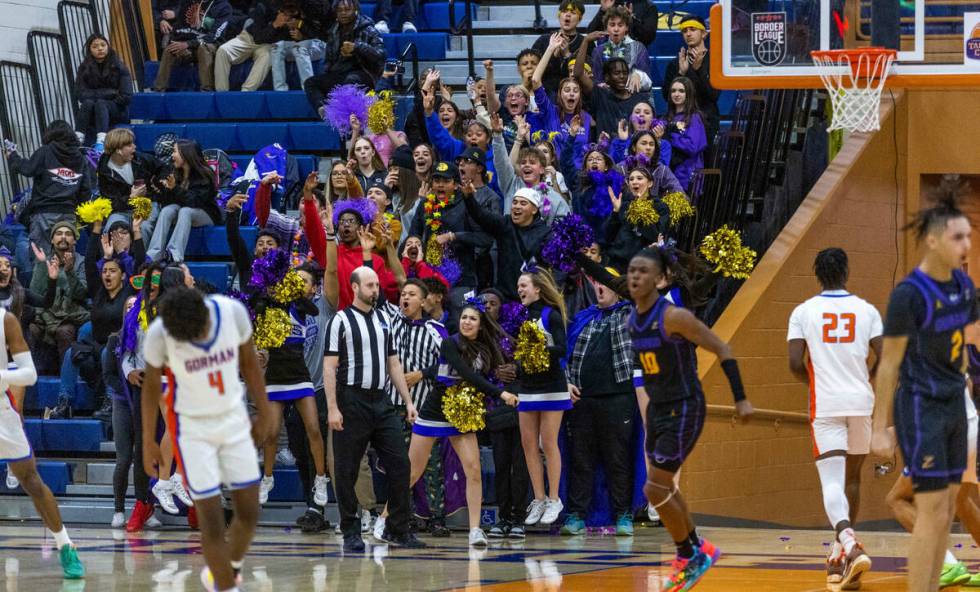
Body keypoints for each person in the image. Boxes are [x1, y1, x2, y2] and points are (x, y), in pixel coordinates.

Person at [628, 246, 753, 589]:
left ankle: (686, 554)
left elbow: (723, 349)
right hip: (658, 409)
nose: (635, 276)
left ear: (659, 278)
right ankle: (700, 548)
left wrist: (741, 398)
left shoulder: (674, 317)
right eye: (631, 270)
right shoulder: (631, 320)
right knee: (662, 486)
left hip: (684, 406)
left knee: (653, 488)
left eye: (643, 270)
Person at [871, 198, 978, 592]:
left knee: (947, 510)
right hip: (921, 407)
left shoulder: (963, 288)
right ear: (933, 241)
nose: (965, 245)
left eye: (968, 236)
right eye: (957, 237)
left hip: (955, 407)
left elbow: (966, 349)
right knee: (931, 510)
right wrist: (880, 426)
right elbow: (889, 364)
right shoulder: (909, 296)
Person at [142, 286, 273, 592]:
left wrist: (265, 412)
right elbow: (150, 388)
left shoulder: (232, 314)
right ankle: (226, 587)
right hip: (192, 430)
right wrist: (148, 438)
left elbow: (250, 364)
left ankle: (226, 570)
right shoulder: (160, 333)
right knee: (211, 520)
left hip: (233, 420)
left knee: (249, 512)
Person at [787, 248, 880, 588]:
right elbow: (883, 355)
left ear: (817, 274)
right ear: (847, 271)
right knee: (852, 478)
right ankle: (837, 554)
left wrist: (815, 381)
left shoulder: (803, 312)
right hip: (860, 401)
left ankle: (851, 548)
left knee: (831, 480)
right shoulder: (867, 310)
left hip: (825, 403)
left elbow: (795, 362)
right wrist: (865, 377)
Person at [324, 266, 426, 551]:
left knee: (400, 464)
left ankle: (397, 529)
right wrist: (332, 407)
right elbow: (329, 367)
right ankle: (350, 531)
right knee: (346, 470)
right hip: (350, 400)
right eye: (369, 285)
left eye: (377, 285)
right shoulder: (340, 321)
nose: (375, 290)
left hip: (381, 401)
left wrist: (407, 401)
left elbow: (394, 363)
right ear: (355, 288)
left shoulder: (384, 319)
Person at [409, 298, 518, 546]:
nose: (467, 322)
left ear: (481, 325)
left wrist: (507, 375)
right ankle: (385, 519)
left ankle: (475, 529)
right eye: (464, 318)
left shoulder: (487, 348)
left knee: (474, 471)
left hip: (462, 415)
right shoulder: (449, 344)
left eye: (473, 318)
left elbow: (497, 371)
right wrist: (500, 394)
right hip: (436, 411)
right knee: (413, 472)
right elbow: (467, 375)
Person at [0, 305, 85, 579]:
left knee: (32, 481)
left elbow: (29, 374)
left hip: (1, 411)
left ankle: (65, 545)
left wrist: (1, 376)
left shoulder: (6, 320)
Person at [561, 267, 636, 536]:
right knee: (581, 458)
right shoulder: (583, 317)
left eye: (605, 283)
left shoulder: (629, 312)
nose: (599, 288)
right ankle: (576, 514)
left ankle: (623, 515)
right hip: (583, 399)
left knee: (618, 458)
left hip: (618, 397)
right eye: (596, 284)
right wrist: (566, 382)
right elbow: (565, 355)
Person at [513, 268, 571, 527]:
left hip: (552, 385)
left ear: (538, 289)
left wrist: (539, 348)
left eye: (524, 285)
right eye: (518, 286)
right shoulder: (519, 317)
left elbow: (562, 348)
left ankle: (554, 498)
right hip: (527, 386)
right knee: (528, 444)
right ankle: (538, 498)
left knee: (548, 443)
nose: (520, 290)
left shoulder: (551, 315)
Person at [6, 120, 92, 257]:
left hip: (44, 213)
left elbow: (27, 169)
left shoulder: (45, 151)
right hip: (69, 214)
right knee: (66, 259)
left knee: (41, 259)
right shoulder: (81, 158)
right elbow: (86, 191)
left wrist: (13, 156)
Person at [304, 0, 385, 116]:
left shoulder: (368, 29)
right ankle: (325, 111)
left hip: (364, 73)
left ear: (356, 10)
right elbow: (328, 60)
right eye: (340, 10)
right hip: (340, 73)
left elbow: (381, 55)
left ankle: (341, 113)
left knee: (350, 80)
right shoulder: (334, 30)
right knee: (310, 82)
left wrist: (357, 47)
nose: (343, 13)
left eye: (347, 10)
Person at [147, 139, 222, 263]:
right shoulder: (174, 171)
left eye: (175, 151)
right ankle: (154, 253)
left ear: (185, 154)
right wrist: (164, 189)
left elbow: (195, 202)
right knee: (167, 210)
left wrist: (175, 189)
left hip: (206, 213)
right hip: (183, 210)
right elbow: (168, 202)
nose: (172, 155)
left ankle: (174, 255)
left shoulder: (205, 174)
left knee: (186, 211)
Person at [28, 224, 89, 376]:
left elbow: (82, 294)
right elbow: (35, 293)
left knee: (64, 332)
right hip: (45, 314)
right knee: (31, 329)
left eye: (68, 234)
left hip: (70, 314)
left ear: (74, 240)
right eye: (59, 234)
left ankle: (65, 383)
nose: (63, 237)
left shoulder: (82, 262)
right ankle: (29, 380)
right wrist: (42, 266)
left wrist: (69, 272)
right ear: (52, 240)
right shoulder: (43, 261)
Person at [574, 31, 650, 138]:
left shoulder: (639, 99)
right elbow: (577, 73)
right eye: (617, 73)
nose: (622, 76)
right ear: (607, 78)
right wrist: (585, 41)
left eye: (625, 73)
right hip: (605, 151)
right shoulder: (600, 95)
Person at [661, 16, 720, 146]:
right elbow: (666, 95)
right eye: (684, 31)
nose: (688, 33)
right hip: (680, 121)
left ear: (704, 33)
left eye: (693, 29)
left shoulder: (714, 60)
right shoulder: (676, 63)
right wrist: (681, 73)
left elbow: (713, 95)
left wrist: (698, 70)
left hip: (707, 120)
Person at [215, 1, 299, 92]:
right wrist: (275, 25)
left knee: (267, 56)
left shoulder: (298, 12)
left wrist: (297, 33)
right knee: (223, 50)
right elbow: (258, 38)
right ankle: (222, 94)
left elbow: (289, 40)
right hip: (249, 38)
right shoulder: (264, 6)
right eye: (284, 13)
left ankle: (246, 92)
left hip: (269, 45)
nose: (287, 16)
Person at [152, 0, 232, 92]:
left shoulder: (223, 6)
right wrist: (178, 41)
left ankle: (207, 91)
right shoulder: (188, 3)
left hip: (211, 45)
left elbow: (214, 36)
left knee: (204, 48)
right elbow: (179, 28)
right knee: (171, 49)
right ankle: (158, 90)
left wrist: (188, 43)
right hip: (190, 46)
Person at [97, 128, 164, 238]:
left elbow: (164, 168)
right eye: (129, 145)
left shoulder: (141, 159)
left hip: (147, 203)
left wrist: (158, 183)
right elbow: (111, 203)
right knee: (111, 228)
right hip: (121, 209)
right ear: (118, 150)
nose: (134, 147)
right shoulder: (104, 169)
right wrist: (131, 198)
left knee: (144, 228)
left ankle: (142, 255)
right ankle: (113, 255)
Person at [75, 33, 132, 150]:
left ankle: (101, 141)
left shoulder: (119, 66)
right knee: (87, 104)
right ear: (89, 50)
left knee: (100, 104)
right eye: (95, 46)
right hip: (94, 110)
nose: (100, 48)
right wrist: (111, 93)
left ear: (108, 47)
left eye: (103, 45)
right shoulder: (84, 68)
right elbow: (80, 94)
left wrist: (102, 98)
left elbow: (126, 96)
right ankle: (78, 138)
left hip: (117, 110)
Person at [530, 1, 594, 95]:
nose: (568, 15)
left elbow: (588, 76)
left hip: (576, 94)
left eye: (573, 13)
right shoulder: (543, 41)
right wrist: (554, 56)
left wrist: (567, 55)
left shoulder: (586, 43)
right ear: (559, 16)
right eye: (564, 12)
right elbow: (533, 72)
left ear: (580, 19)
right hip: (547, 93)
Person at [589, 6, 652, 93]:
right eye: (612, 25)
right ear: (606, 27)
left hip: (633, 97)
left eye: (620, 25)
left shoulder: (639, 48)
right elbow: (596, 80)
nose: (616, 29)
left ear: (627, 27)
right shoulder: (598, 51)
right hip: (607, 99)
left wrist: (639, 76)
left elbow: (648, 82)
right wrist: (602, 86)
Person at [666, 77, 708, 191]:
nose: (676, 94)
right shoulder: (667, 118)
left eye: (681, 91)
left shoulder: (695, 118)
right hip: (670, 174)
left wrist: (670, 134)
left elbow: (692, 146)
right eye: (673, 91)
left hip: (687, 175)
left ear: (688, 94)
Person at [586, 0, 659, 47]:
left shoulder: (648, 7)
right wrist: (603, 11)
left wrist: (632, 20)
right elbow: (590, 33)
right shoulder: (611, 2)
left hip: (635, 55)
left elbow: (648, 38)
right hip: (608, 55)